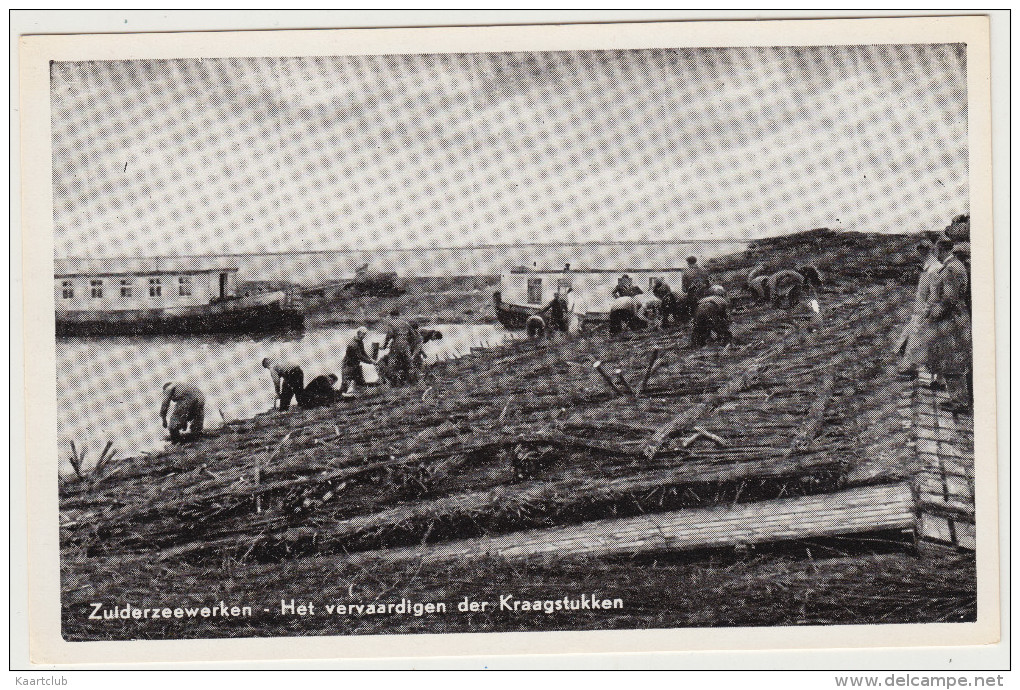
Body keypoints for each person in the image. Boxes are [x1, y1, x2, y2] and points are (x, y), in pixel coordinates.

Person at [924, 239, 971, 411]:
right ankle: (958, 400)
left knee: (952, 361)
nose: (935, 253)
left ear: (940, 250)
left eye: (936, 250)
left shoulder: (951, 268)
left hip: (952, 320)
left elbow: (949, 299)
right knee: (953, 360)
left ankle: (960, 402)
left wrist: (934, 315)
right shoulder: (954, 265)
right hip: (955, 318)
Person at [896, 239, 943, 376]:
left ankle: (917, 368)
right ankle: (912, 366)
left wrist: (925, 312)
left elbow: (934, 294)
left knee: (918, 339)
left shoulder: (934, 269)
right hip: (920, 310)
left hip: (925, 312)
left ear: (922, 251)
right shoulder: (929, 267)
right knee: (909, 337)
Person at [383, 311, 416, 385]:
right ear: (399, 315)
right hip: (406, 345)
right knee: (409, 363)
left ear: (391, 316)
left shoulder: (391, 323)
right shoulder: (405, 323)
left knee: (392, 363)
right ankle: (412, 382)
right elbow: (413, 335)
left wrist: (385, 345)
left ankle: (392, 383)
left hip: (396, 345)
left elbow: (389, 335)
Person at [342, 326, 376, 395]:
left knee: (360, 380)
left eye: (364, 334)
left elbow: (363, 352)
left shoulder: (360, 342)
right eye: (362, 334)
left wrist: (370, 358)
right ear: (358, 333)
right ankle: (342, 396)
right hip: (348, 365)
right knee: (346, 383)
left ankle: (360, 394)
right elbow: (360, 357)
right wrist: (370, 362)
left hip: (355, 364)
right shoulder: (353, 344)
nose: (364, 336)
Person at [681, 256, 711, 322]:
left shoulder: (685, 272)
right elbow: (708, 283)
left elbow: (684, 289)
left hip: (693, 295)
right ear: (695, 261)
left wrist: (687, 289)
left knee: (687, 308)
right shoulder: (703, 270)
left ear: (688, 263)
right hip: (705, 293)